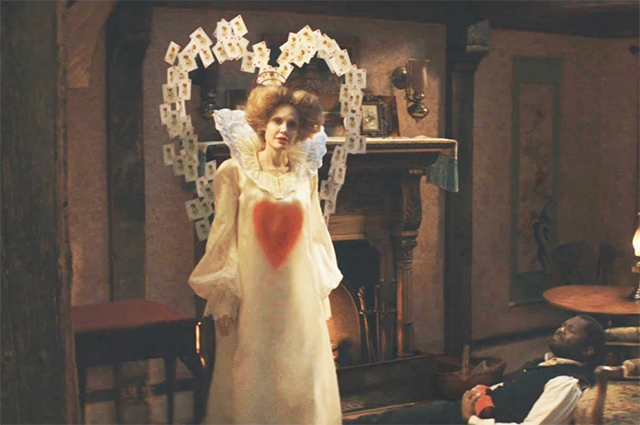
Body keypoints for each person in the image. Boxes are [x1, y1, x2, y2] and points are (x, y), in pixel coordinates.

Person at [188, 84, 343, 424]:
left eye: (292, 124)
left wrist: (320, 291)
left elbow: (315, 234)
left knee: (300, 364)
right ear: (263, 124)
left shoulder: (306, 176)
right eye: (277, 121)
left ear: (301, 131)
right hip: (254, 292)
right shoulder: (233, 171)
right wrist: (225, 292)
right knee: (251, 365)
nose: (284, 129)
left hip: (297, 293)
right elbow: (223, 234)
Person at [346, 314, 606, 425]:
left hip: (469, 421)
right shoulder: (547, 364)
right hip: (464, 411)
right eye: (563, 325)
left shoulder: (566, 383)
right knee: (392, 419)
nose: (561, 329)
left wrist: (472, 418)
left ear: (587, 350)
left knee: (395, 421)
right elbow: (514, 392)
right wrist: (481, 391)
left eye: (570, 330)